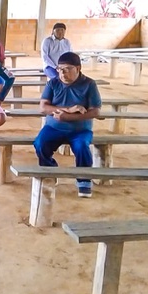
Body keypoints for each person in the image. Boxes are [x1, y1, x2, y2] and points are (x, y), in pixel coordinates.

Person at [33, 52, 101, 198]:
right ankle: (50, 170)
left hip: (80, 129)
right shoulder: (53, 83)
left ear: (78, 68)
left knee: (82, 147)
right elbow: (43, 107)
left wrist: (69, 117)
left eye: (68, 69)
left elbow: (95, 111)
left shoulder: (89, 84)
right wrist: (68, 110)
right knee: (40, 144)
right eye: (60, 69)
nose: (63, 73)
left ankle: (84, 180)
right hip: (54, 127)